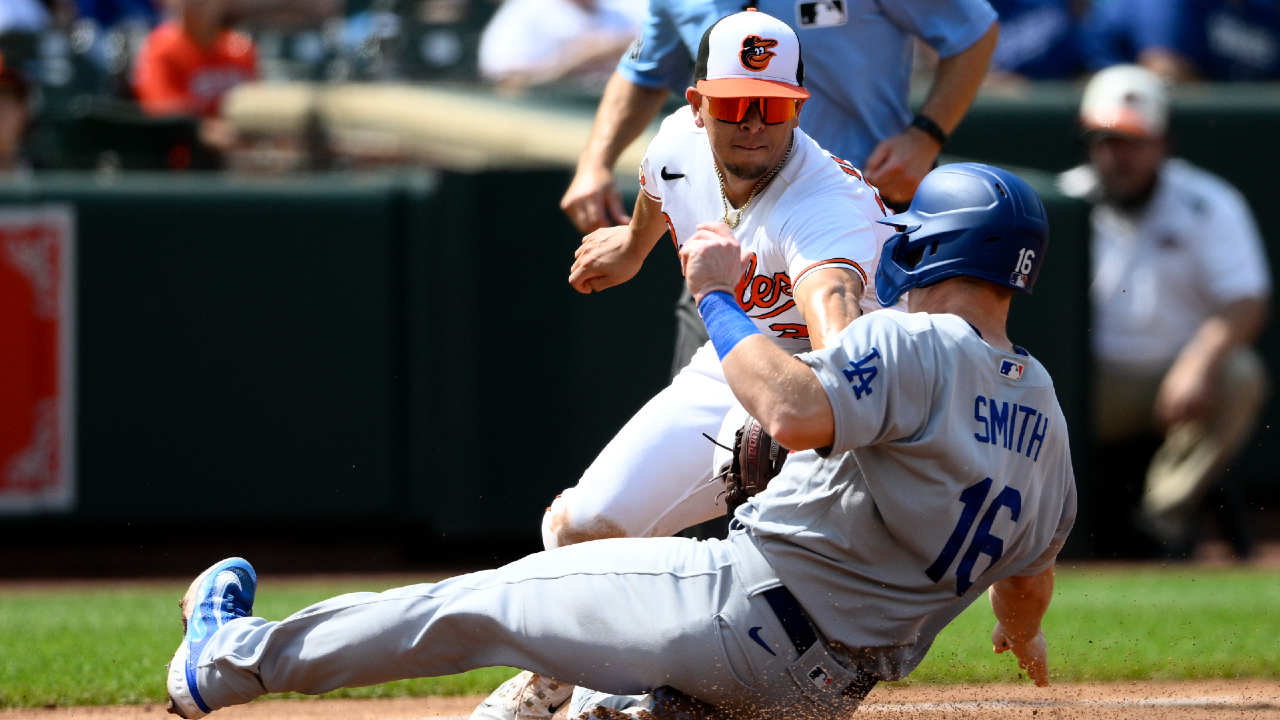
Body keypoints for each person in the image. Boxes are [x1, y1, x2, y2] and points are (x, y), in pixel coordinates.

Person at [163, 161, 1076, 720]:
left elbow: (794, 412)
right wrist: (1017, 632)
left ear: (928, 247)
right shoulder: (1046, 422)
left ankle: (228, 660)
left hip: (733, 613)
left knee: (470, 606)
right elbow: (1029, 576)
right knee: (607, 695)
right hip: (820, 693)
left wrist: (717, 295)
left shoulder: (914, 341)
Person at [561, 0, 998, 383]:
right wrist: (595, 163)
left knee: (856, 396)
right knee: (705, 433)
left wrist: (926, 134)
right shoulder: (678, 139)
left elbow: (975, 30)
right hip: (727, 224)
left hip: (858, 212)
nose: (752, 120)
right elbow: (644, 71)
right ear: (697, 105)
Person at [1057, 65, 1270, 557]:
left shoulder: (1208, 203)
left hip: (1176, 383)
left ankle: (1159, 524)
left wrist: (1200, 360)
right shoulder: (1063, 199)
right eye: (1105, 140)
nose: (1117, 156)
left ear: (1163, 142)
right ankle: (1043, 533)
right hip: (1085, 390)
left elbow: (1248, 301)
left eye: (1132, 141)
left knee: (1241, 374)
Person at [132, 0, 255, 150]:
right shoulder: (160, 48)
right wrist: (204, 128)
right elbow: (159, 111)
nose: (198, 3)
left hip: (238, 145)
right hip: (182, 153)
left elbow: (257, 107)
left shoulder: (241, 49)